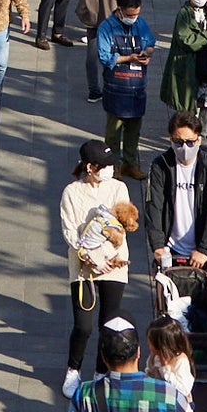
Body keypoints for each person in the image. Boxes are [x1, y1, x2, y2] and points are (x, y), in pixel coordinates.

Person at [59, 143, 139, 386]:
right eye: (104, 166)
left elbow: (121, 226)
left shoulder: (118, 188)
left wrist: (105, 258)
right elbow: (70, 231)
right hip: (83, 268)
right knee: (83, 326)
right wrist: (92, 258)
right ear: (90, 167)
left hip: (114, 265)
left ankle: (101, 372)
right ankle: (73, 370)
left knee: (109, 322)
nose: (109, 170)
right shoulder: (71, 192)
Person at [141, 111, 207, 272]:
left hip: (199, 254)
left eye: (190, 142)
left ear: (199, 140)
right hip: (169, 250)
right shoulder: (161, 166)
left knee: (201, 295)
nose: (184, 148)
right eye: (178, 142)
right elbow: (153, 206)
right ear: (171, 140)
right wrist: (158, 246)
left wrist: (204, 250)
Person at [88, 0, 160, 174]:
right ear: (119, 10)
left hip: (137, 87)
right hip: (116, 87)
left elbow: (150, 43)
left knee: (134, 130)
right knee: (113, 132)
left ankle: (131, 163)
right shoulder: (106, 27)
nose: (133, 17)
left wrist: (147, 53)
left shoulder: (140, 23)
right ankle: (114, 166)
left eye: (136, 13)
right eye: (130, 14)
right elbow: (104, 57)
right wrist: (129, 58)